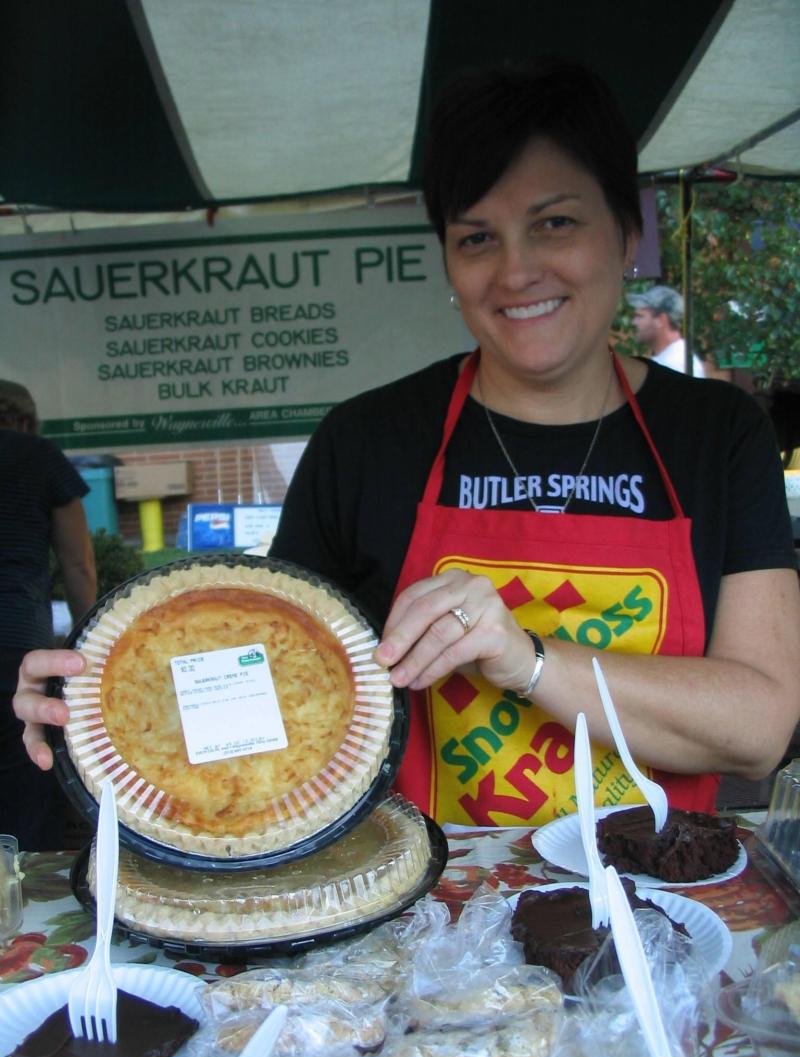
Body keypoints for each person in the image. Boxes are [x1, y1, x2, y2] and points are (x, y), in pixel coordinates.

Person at [12, 61, 800, 831]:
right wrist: (106, 704)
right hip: (419, 930)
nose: (517, 271)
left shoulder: (716, 434)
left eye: (555, 223)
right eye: (476, 238)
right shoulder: (367, 441)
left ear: (628, 232)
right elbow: (277, 695)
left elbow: (759, 730)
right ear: (450, 264)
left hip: (658, 909)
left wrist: (523, 659)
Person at [1, 381, 96, 850]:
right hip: (15, 643)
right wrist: (91, 648)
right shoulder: (40, 458)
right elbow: (78, 564)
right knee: (28, 773)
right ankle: (25, 904)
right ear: (23, 420)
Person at [628, 285, 708, 377]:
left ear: (660, 320)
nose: (633, 322)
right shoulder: (677, 357)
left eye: (639, 316)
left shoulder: (672, 365)